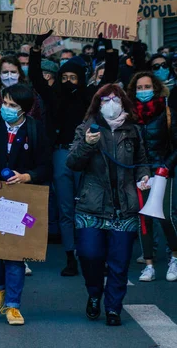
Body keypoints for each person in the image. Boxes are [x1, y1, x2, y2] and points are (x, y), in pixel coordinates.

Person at [30, 31, 118, 277]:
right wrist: (37, 46)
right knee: (66, 208)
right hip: (61, 156)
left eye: (74, 77)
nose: (69, 81)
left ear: (82, 79)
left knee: (89, 207)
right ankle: (71, 256)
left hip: (87, 155)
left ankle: (92, 251)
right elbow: (36, 78)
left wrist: (108, 46)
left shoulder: (89, 97)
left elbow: (109, 77)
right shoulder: (53, 96)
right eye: (65, 77)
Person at [67, 84, 151, 326]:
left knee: (119, 262)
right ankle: (94, 293)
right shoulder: (86, 128)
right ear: (98, 103)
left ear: (123, 102)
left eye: (116, 98)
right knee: (89, 255)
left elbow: (142, 161)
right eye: (106, 99)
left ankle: (113, 308)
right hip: (91, 206)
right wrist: (87, 144)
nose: (111, 103)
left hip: (124, 208)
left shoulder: (133, 130)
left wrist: (144, 176)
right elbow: (72, 162)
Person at [0, 84, 50, 326]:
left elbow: (46, 167)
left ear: (24, 110)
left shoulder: (35, 130)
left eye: (12, 105)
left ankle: (13, 306)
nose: (7, 108)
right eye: (5, 103)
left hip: (20, 201)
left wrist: (27, 176)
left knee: (14, 256)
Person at [125, 71, 177, 282]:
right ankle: (149, 265)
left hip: (164, 170)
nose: (143, 91)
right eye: (139, 88)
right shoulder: (129, 115)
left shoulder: (166, 112)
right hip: (140, 171)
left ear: (155, 89)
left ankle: (174, 257)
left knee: (166, 216)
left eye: (147, 87)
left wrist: (166, 166)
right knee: (144, 219)